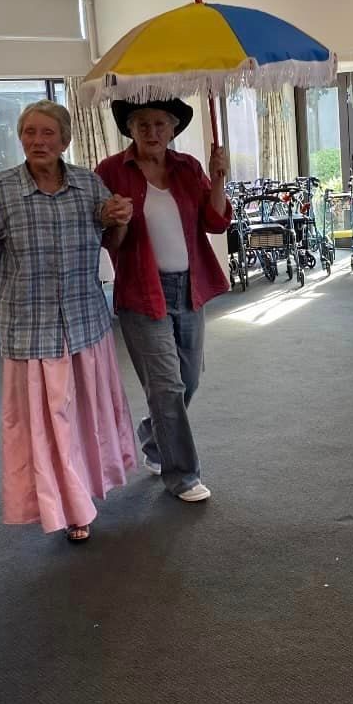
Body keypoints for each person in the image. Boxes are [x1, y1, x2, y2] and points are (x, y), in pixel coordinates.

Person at [0, 100, 138, 542]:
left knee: (83, 416)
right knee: (49, 425)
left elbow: (111, 239)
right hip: (32, 333)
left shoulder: (87, 184)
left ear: (65, 140)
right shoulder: (1, 190)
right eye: (30, 133)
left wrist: (121, 218)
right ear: (20, 138)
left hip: (84, 323)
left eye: (47, 133)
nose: (38, 141)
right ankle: (69, 507)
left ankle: (88, 489)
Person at [96, 98, 232, 503]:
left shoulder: (188, 167)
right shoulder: (111, 171)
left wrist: (219, 178)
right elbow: (110, 242)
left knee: (188, 381)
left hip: (190, 287)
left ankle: (152, 436)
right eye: (142, 124)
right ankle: (183, 475)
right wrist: (114, 220)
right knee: (168, 387)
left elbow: (215, 221)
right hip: (142, 291)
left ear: (172, 129)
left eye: (159, 124)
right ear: (130, 129)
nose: (151, 132)